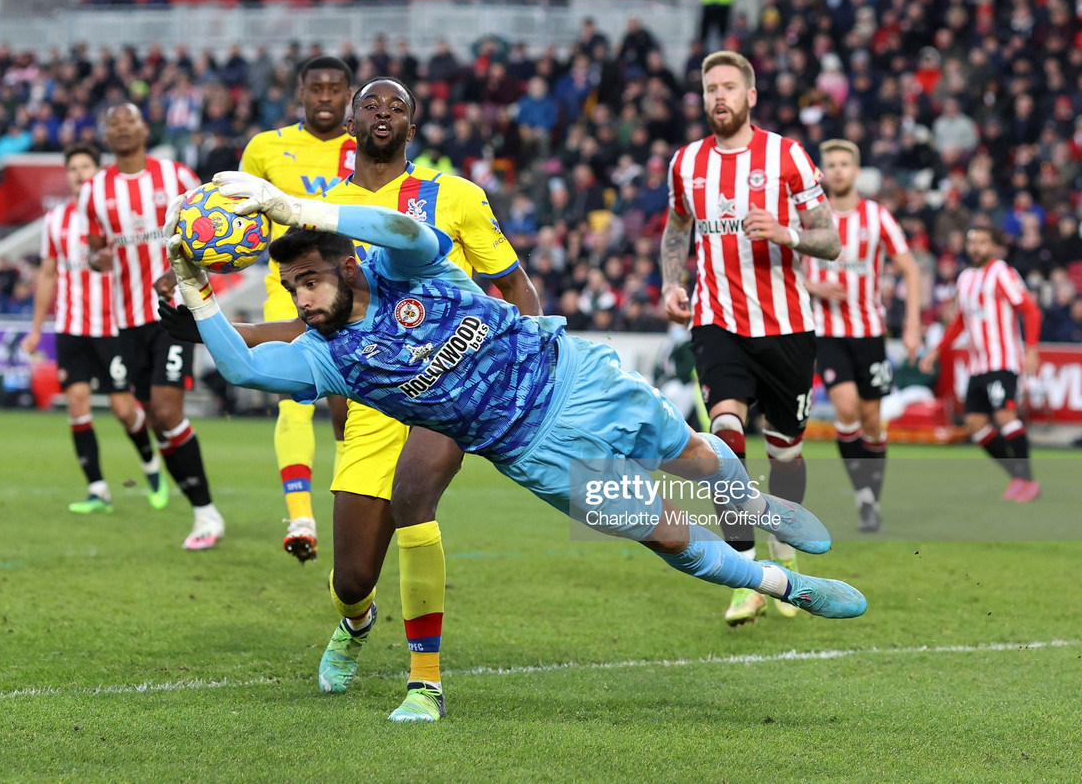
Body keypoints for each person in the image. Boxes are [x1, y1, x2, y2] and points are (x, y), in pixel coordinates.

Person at [162, 173, 868, 718]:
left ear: (345, 268)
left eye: (307, 281)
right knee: (670, 537)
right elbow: (245, 367)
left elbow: (399, 226)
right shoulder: (330, 357)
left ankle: (754, 504)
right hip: (536, 451)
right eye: (289, 288)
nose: (299, 300)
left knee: (695, 453)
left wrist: (301, 209)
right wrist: (198, 293)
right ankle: (789, 586)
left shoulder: (405, 267)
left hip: (578, 377)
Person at [168, 77, 539, 723]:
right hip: (366, 405)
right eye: (371, 103)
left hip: (446, 390)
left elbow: (515, 285)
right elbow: (302, 322)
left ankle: (425, 682)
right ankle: (355, 622)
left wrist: (525, 356)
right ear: (350, 119)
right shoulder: (316, 209)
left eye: (397, 105)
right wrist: (198, 315)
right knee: (351, 578)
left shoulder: (454, 197)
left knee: (415, 500)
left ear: (413, 124)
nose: (383, 112)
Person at [660, 50, 842, 627]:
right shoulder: (686, 162)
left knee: (785, 452)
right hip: (716, 322)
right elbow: (677, 227)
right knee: (725, 439)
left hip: (786, 325)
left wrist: (785, 231)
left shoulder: (786, 155)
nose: (719, 96)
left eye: (729, 88)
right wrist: (671, 280)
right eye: (711, 88)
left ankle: (787, 556)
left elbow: (829, 239)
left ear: (750, 96)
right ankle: (746, 578)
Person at [83, 104, 221, 550]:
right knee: (156, 421)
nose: (122, 128)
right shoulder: (95, 190)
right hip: (126, 319)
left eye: (129, 121)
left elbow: (208, 232)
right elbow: (94, 249)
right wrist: (96, 259)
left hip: (171, 312)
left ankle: (205, 513)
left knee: (165, 410)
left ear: (145, 129)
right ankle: (201, 508)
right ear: (106, 135)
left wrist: (181, 272)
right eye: (113, 123)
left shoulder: (177, 176)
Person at [237, 57, 356, 563]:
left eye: (335, 89)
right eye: (317, 88)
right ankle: (301, 516)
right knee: (292, 400)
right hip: (286, 294)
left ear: (348, 95)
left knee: (350, 411)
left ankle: (355, 506)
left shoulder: (364, 148)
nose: (326, 97)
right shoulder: (266, 148)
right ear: (301, 93)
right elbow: (231, 220)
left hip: (355, 293)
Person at [22, 142, 167, 514]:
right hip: (71, 327)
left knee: (123, 409)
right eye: (73, 168)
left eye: (86, 166)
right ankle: (98, 489)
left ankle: (151, 464)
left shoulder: (114, 216)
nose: (79, 173)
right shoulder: (56, 220)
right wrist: (37, 329)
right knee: (76, 401)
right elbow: (49, 274)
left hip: (113, 326)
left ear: (98, 172)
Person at [804, 140, 922, 532]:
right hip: (829, 333)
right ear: (823, 172)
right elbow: (783, 268)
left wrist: (912, 325)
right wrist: (812, 286)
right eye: (831, 164)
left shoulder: (877, 217)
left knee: (872, 421)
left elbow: (911, 270)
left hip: (870, 332)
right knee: (848, 409)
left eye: (844, 164)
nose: (838, 170)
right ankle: (863, 497)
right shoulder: (808, 218)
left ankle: (872, 496)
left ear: (856, 172)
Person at [920, 226, 1042, 502]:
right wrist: (937, 351)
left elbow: (1030, 310)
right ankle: (1017, 477)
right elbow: (961, 320)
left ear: (994, 247)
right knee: (975, 424)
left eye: (982, 242)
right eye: (972, 241)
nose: (976, 247)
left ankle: (1029, 481)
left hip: (1003, 360)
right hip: (977, 365)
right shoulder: (965, 278)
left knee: (1004, 416)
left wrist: (1031, 350)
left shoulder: (1002, 273)